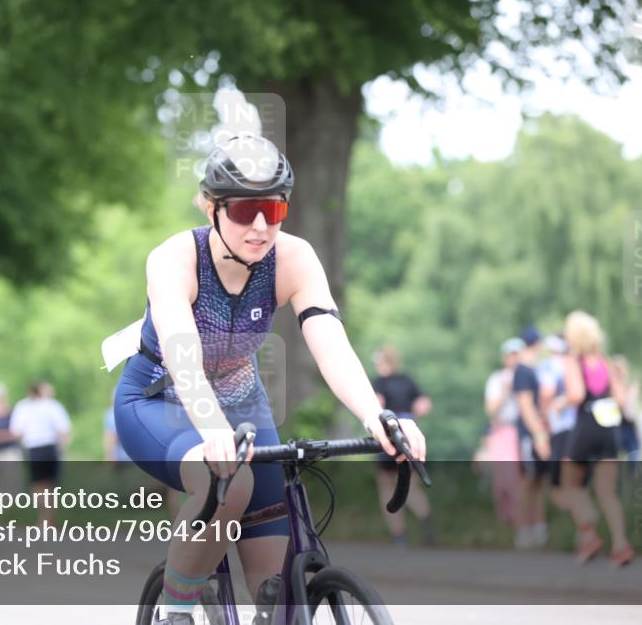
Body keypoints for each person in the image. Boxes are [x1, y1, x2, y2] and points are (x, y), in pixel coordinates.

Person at [112, 134, 426, 624]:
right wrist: (214, 431)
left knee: (274, 593)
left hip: (243, 406)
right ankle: (176, 609)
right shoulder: (175, 259)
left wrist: (375, 415)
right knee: (229, 485)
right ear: (210, 206)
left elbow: (330, 343)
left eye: (274, 211)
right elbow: (183, 356)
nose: (260, 226)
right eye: (243, 210)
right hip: (160, 401)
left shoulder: (294, 259)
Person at [561, 311, 634, 567]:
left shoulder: (574, 361)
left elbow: (576, 394)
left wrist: (559, 404)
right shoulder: (606, 362)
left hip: (586, 425)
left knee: (571, 483)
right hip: (608, 428)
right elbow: (622, 400)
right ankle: (621, 544)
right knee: (607, 492)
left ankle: (588, 530)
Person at [371, 345, 434, 547]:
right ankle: (425, 518)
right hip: (407, 435)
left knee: (387, 486)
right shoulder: (407, 380)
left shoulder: (380, 383)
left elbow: (376, 406)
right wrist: (410, 416)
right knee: (410, 483)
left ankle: (399, 536)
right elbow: (424, 404)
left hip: (388, 436)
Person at [10, 381, 72, 525]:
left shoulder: (23, 406)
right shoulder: (52, 405)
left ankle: (44, 516)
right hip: (50, 447)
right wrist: (62, 447)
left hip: (34, 448)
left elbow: (16, 432)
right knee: (50, 484)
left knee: (37, 484)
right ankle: (49, 516)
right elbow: (64, 430)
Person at [513, 327, 550, 549]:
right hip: (530, 435)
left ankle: (538, 529)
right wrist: (539, 435)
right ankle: (524, 531)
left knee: (538, 482)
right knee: (528, 482)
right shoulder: (523, 371)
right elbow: (525, 407)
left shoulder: (533, 370)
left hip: (537, 433)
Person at [483, 338, 524, 526]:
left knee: (518, 481)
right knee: (502, 484)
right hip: (502, 432)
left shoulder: (528, 376)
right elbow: (490, 410)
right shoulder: (497, 379)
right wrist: (507, 391)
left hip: (522, 431)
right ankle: (506, 522)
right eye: (510, 355)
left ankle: (521, 523)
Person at [537, 335, 576, 515]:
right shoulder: (575, 363)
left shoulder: (550, 366)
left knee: (557, 484)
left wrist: (543, 420)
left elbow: (547, 393)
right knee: (576, 481)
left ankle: (578, 519)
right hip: (579, 427)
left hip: (559, 428)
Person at [611, 355, 642, 469]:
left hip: (629, 426)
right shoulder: (610, 388)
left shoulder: (628, 386)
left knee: (634, 459)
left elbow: (632, 408)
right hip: (615, 427)